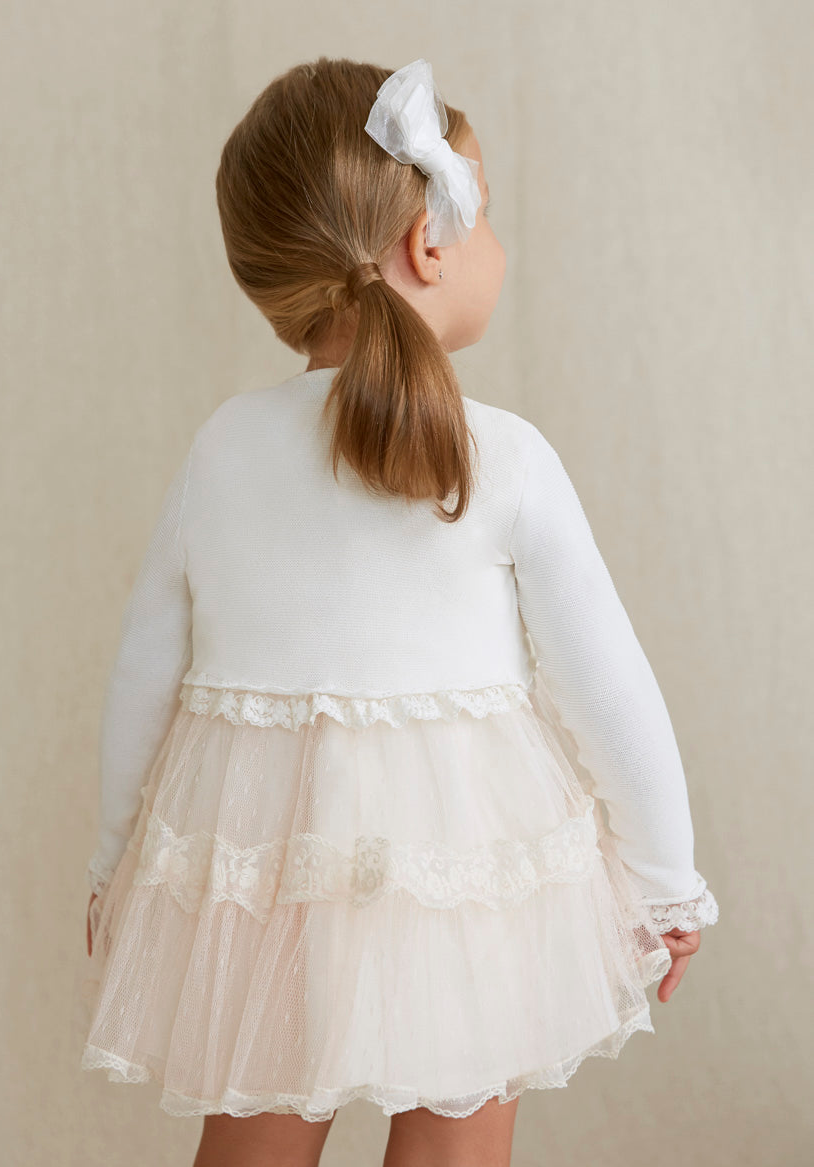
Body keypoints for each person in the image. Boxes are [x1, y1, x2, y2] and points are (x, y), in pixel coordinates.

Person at [76, 56, 719, 1167]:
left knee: (256, 1139)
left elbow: (144, 669)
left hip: (270, 866)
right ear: (431, 241)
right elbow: (607, 685)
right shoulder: (504, 456)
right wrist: (668, 880)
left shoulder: (223, 447)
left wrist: (115, 857)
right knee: (457, 1146)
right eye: (486, 213)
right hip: (468, 871)